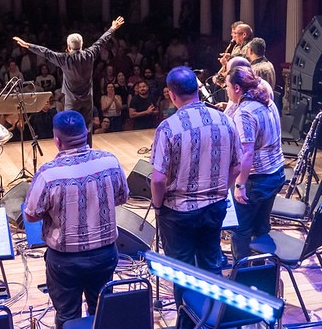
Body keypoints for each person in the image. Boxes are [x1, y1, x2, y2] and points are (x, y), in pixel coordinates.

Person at [24, 110, 129, 329]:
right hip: (104, 254)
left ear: (57, 140)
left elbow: (31, 215)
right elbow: (122, 197)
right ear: (87, 132)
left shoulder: (48, 174)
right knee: (102, 312)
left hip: (65, 260)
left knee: (68, 316)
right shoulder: (110, 162)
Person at [150, 66, 241, 309]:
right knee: (211, 265)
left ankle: (188, 320)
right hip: (215, 206)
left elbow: (157, 180)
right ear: (198, 89)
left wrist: (157, 207)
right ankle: (214, 319)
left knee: (183, 273)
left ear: (172, 95)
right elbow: (237, 165)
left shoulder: (168, 128)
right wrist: (222, 190)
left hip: (178, 212)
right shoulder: (225, 120)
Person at [13, 16, 125, 140]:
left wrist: (27, 45)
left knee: (71, 127)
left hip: (72, 101)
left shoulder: (64, 59)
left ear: (68, 46)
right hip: (87, 99)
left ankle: (72, 148)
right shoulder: (90, 54)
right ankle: (87, 148)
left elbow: (45, 52)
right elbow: (101, 41)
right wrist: (112, 28)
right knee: (87, 127)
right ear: (82, 44)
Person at [225, 65, 284, 263]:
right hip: (276, 174)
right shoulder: (267, 101)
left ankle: (241, 274)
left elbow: (247, 152)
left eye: (227, 87)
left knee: (240, 230)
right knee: (261, 226)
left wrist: (240, 185)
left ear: (237, 88)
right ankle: (261, 268)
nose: (226, 91)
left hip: (256, 180)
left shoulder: (245, 113)